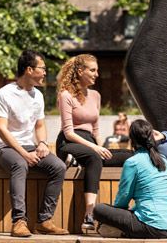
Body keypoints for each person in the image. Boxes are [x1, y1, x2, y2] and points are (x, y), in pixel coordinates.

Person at [0, 50, 68, 237]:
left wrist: (42, 142)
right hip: (5, 148)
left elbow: (40, 125)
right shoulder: (5, 93)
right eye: (42, 68)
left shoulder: (38, 96)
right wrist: (24, 154)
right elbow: (1, 129)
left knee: (58, 166)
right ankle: (19, 221)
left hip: (30, 146)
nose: (45, 73)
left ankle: (44, 220)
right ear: (29, 69)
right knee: (19, 164)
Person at [55, 54, 132, 231]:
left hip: (90, 143)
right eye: (92, 70)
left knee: (129, 156)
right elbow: (68, 132)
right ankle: (89, 214)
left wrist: (102, 148)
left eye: (97, 70)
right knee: (94, 158)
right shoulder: (66, 95)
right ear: (80, 71)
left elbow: (96, 130)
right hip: (69, 142)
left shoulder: (95, 95)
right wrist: (96, 149)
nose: (96, 74)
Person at [93, 119, 167, 239]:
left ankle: (120, 231)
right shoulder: (164, 160)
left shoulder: (133, 162)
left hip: (154, 227)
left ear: (132, 139)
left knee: (99, 209)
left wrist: (117, 218)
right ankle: (122, 231)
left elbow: (123, 197)